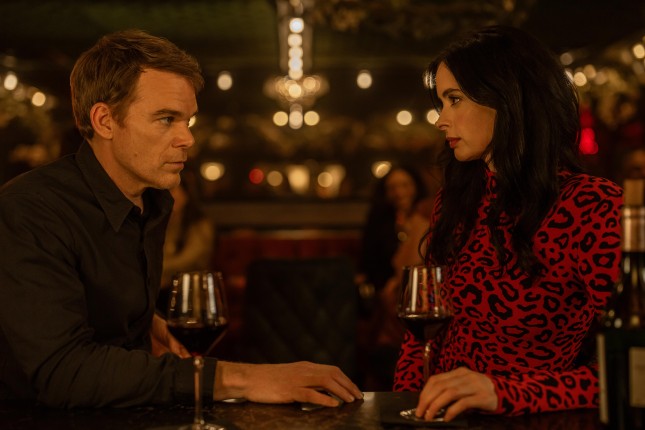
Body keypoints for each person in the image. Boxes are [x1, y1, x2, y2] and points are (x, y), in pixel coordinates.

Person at [0, 29, 362, 408]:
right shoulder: (29, 210)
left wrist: (145, 320)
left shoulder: (152, 201)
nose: (187, 139)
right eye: (166, 119)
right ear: (105, 121)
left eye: (187, 121)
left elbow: (101, 314)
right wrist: (239, 378)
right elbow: (64, 373)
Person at [393, 25, 623, 422]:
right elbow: (421, 344)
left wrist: (504, 393)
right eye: (441, 102)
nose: (441, 120)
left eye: (454, 100)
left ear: (509, 98)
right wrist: (403, 409)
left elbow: (631, 368)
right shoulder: (457, 200)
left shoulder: (592, 205)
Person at [358, 165, 431, 390]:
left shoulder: (427, 217)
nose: (399, 192)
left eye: (404, 185)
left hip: (421, 291)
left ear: (415, 187)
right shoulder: (380, 220)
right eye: (393, 187)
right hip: (385, 295)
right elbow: (368, 262)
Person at [157, 173, 215, 315]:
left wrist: (153, 270)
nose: (169, 196)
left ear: (187, 194)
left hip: (192, 288)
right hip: (164, 286)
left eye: (174, 191)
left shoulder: (199, 224)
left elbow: (188, 260)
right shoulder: (162, 221)